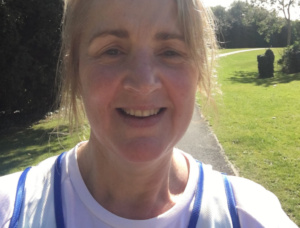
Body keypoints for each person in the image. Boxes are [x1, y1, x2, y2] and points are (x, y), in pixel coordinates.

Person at [0, 0, 298, 227]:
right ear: (76, 71)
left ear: (198, 71)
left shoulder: (249, 216)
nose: (143, 83)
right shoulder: (11, 209)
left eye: (171, 51)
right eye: (112, 50)